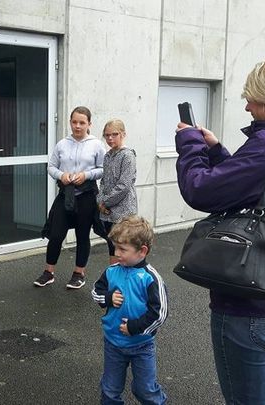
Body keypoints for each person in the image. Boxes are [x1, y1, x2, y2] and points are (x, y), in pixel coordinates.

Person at [175, 51, 265, 404]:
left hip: (254, 303)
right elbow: (264, 192)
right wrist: (217, 150)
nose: (248, 108)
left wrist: (190, 144)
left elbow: (202, 191)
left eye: (252, 98)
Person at [91, 215, 168, 405]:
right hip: (113, 343)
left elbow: (160, 313)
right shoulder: (111, 271)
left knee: (145, 390)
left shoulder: (150, 278)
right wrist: (108, 298)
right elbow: (95, 291)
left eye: (122, 249)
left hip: (142, 345)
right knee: (110, 390)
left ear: (142, 251)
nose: (116, 252)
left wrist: (134, 326)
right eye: (115, 247)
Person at [34, 106, 105, 289]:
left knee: (82, 235)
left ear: (89, 124)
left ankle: (78, 273)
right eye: (74, 122)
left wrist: (86, 175)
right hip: (65, 195)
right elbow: (51, 167)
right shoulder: (62, 144)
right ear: (70, 122)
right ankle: (49, 272)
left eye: (82, 122)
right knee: (56, 235)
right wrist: (61, 175)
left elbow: (104, 169)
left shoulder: (96, 144)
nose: (78, 126)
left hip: (87, 196)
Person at [96, 119, 137, 265]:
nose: (110, 138)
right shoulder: (107, 156)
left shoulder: (128, 156)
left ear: (123, 134)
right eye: (107, 135)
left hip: (123, 211)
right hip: (107, 211)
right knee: (111, 245)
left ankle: (126, 282)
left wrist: (105, 202)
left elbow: (124, 186)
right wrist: (100, 201)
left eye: (114, 134)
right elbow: (103, 182)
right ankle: (114, 277)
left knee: (124, 247)